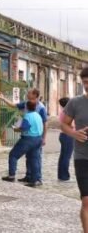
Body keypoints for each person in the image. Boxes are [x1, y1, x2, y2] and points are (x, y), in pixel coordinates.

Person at [0, 88, 48, 183]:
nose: (27, 94)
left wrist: (16, 129)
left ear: (35, 95)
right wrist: (3, 98)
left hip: (29, 138)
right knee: (33, 158)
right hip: (37, 137)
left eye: (29, 93)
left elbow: (44, 123)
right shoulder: (33, 111)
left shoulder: (40, 109)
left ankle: (12, 175)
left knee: (14, 155)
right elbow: (14, 105)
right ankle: (33, 178)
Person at [62, 68, 88, 232]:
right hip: (82, 156)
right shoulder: (75, 102)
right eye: (85, 82)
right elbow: (64, 124)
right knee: (86, 200)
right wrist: (74, 133)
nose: (87, 85)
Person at [59, 96, 75, 182]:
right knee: (66, 157)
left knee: (63, 156)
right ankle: (64, 176)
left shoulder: (62, 112)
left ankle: (61, 175)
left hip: (63, 135)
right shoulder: (67, 112)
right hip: (68, 135)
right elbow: (70, 125)